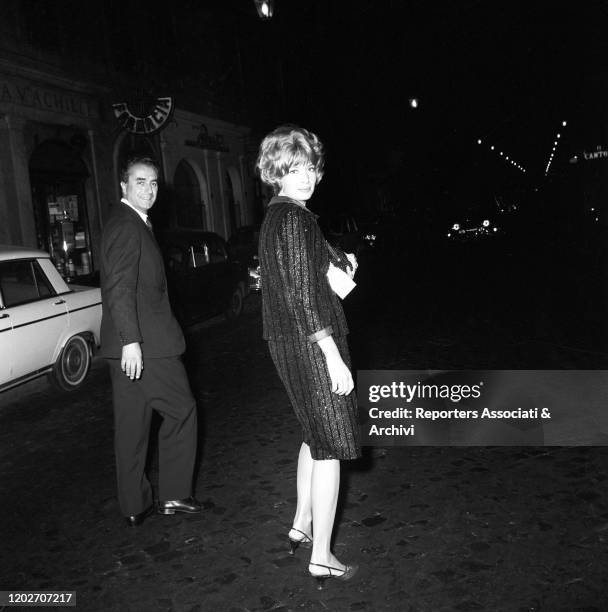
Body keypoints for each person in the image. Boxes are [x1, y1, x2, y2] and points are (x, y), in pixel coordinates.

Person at [257, 125, 361, 586]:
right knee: (331, 445)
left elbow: (298, 277)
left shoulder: (279, 217)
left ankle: (301, 522)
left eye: (311, 168)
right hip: (311, 344)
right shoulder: (295, 220)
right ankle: (321, 555)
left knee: (311, 434)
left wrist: (339, 265)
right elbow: (301, 294)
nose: (306, 177)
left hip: (287, 342)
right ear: (277, 171)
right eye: (295, 169)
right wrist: (332, 354)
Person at [100, 156, 201, 527]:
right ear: (123, 186)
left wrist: (126, 341)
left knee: (132, 426)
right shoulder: (127, 226)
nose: (149, 189)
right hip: (146, 345)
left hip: (129, 344)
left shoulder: (127, 222)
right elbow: (119, 287)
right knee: (183, 410)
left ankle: (133, 505)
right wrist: (132, 341)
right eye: (140, 182)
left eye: (154, 183)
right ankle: (174, 494)